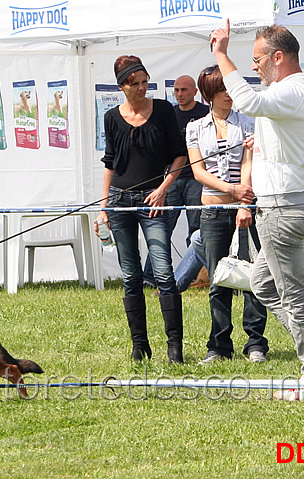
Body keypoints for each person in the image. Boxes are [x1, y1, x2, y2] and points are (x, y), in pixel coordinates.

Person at [211, 22, 304, 399]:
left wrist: (221, 54)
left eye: (258, 60)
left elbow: (248, 102)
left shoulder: (290, 90)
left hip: (283, 209)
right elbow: (291, 136)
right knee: (264, 284)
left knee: (294, 295)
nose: (255, 68)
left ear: (278, 57)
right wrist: (262, 137)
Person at [95, 55, 187, 364]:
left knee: (163, 272)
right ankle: (140, 346)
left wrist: (163, 189)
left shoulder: (161, 110)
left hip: (152, 200)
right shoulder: (111, 117)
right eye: (135, 83)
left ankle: (175, 347)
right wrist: (103, 207)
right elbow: (110, 164)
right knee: (130, 275)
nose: (142, 88)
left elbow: (180, 156)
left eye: (145, 82)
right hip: (120, 202)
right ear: (122, 86)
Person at [187, 64, 269, 365]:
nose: (228, 95)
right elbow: (198, 171)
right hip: (212, 210)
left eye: (230, 90)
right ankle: (219, 345)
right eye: (222, 91)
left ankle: (256, 343)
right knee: (218, 280)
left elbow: (249, 163)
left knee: (253, 278)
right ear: (209, 95)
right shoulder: (195, 127)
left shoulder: (247, 121)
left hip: (245, 209)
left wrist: (243, 201)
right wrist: (230, 190)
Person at [142, 75, 208, 288]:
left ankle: (198, 278)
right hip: (171, 180)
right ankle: (149, 277)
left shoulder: (205, 114)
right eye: (176, 90)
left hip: (197, 180)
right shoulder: (169, 113)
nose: (179, 94)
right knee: (160, 228)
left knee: (196, 232)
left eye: (184, 90)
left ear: (195, 92)